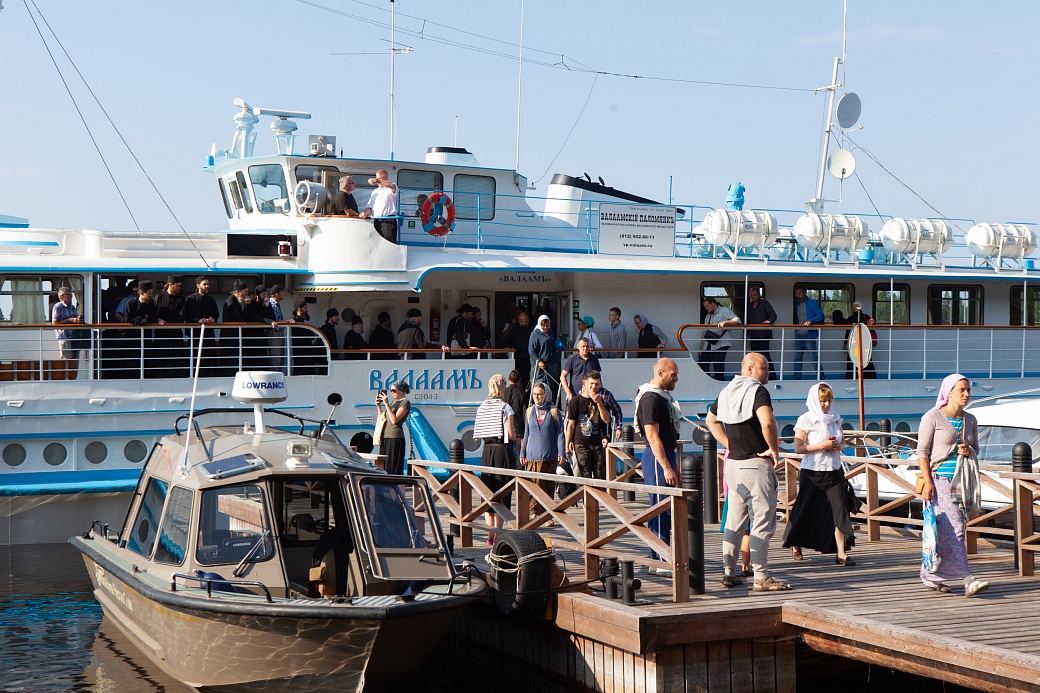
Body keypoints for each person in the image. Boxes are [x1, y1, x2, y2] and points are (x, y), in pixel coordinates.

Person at [707, 352, 790, 591]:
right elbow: (767, 422)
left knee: (734, 522)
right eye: (764, 368)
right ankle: (761, 576)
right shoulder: (758, 391)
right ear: (750, 369)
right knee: (762, 521)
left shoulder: (726, 391)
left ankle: (729, 572)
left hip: (733, 465)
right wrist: (773, 449)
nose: (768, 372)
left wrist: (728, 444)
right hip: (755, 463)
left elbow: (711, 420)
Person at [917, 374, 988, 597]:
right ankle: (968, 580)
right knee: (956, 529)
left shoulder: (971, 419)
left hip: (962, 482)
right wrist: (928, 482)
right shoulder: (932, 417)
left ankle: (931, 576)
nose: (966, 394)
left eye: (968, 390)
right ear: (948, 393)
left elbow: (976, 449)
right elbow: (922, 452)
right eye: (961, 390)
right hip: (939, 481)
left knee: (944, 532)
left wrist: (968, 450)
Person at [781, 383, 855, 565]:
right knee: (805, 508)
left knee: (840, 510)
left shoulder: (835, 418)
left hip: (834, 470)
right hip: (812, 472)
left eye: (829, 400)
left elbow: (843, 442)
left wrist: (838, 446)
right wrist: (821, 446)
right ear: (815, 400)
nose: (826, 404)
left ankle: (841, 553)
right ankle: (795, 542)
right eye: (823, 401)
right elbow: (798, 448)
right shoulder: (806, 419)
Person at [633, 358, 681, 576]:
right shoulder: (651, 398)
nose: (676, 379)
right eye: (673, 375)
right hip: (657, 456)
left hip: (665, 454)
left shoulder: (662, 396)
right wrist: (666, 467)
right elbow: (652, 437)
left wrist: (673, 464)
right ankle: (660, 560)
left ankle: (657, 558)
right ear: (660, 373)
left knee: (663, 508)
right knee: (661, 508)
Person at [473, 374, 517, 544]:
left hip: (487, 451)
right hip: (502, 451)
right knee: (502, 492)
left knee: (488, 492)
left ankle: (490, 535)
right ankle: (498, 535)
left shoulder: (482, 407)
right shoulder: (505, 407)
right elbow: (511, 435)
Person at [519, 383, 566, 520]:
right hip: (532, 455)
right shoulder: (529, 411)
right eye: (535, 394)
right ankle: (533, 512)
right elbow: (526, 433)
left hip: (549, 455)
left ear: (546, 395)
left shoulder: (554, 411)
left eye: (540, 394)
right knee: (533, 485)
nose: (537, 397)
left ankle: (547, 515)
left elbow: (560, 434)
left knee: (547, 486)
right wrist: (522, 453)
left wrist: (561, 453)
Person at [565, 371, 610, 480]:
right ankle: (585, 492)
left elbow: (606, 420)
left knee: (600, 475)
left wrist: (599, 403)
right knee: (585, 475)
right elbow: (571, 425)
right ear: (585, 385)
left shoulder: (601, 400)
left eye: (597, 384)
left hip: (597, 442)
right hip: (581, 442)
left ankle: (599, 492)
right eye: (592, 384)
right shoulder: (575, 401)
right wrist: (567, 444)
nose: (594, 387)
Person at [697, 297, 742, 381]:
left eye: (707, 306)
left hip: (721, 343)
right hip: (710, 344)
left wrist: (725, 322)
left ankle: (719, 384)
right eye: (705, 307)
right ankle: (707, 381)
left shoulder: (724, 311)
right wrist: (701, 348)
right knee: (702, 363)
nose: (706, 308)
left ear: (713, 304)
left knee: (718, 367)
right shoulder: (708, 316)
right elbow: (705, 333)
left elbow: (738, 321)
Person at [184, 276, 220, 376]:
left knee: (209, 357)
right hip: (195, 334)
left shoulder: (211, 300)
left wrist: (212, 319)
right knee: (195, 356)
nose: (207, 286)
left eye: (208, 284)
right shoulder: (191, 299)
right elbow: (187, 316)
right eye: (204, 284)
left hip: (208, 334)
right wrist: (198, 320)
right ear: (198, 285)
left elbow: (216, 314)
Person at [125, 281, 160, 378]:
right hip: (132, 338)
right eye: (149, 293)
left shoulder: (152, 303)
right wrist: (144, 318)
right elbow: (128, 319)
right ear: (141, 293)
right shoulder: (131, 303)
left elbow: (151, 318)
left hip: (146, 337)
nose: (151, 295)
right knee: (132, 360)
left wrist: (139, 319)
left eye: (152, 293)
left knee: (145, 358)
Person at [376, 381, 411, 476]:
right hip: (385, 436)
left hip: (395, 437)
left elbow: (394, 420)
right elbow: (384, 417)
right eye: (391, 390)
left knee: (392, 466)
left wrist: (387, 404)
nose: (392, 392)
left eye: (394, 390)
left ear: (401, 390)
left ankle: (394, 485)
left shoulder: (405, 402)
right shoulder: (393, 402)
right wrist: (379, 406)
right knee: (383, 465)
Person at [155, 276, 187, 378]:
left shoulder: (181, 299)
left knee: (176, 358)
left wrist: (169, 323)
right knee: (161, 358)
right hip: (161, 334)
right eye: (177, 286)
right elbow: (153, 313)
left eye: (180, 286)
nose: (179, 288)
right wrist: (158, 320)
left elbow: (182, 316)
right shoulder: (159, 297)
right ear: (170, 285)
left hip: (175, 334)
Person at [560, 338, 602, 412]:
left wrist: (601, 391)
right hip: (575, 395)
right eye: (583, 346)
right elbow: (562, 376)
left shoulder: (594, 359)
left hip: (591, 395)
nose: (585, 348)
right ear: (578, 347)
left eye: (587, 346)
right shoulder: (572, 358)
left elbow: (598, 377)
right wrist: (568, 392)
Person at [51, 286, 84, 380]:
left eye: (71, 295)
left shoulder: (72, 307)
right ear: (62, 296)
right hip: (64, 338)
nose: (71, 297)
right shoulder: (58, 307)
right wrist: (70, 320)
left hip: (74, 338)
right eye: (69, 295)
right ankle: (65, 381)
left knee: (75, 363)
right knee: (66, 362)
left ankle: (73, 380)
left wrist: (77, 321)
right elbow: (54, 323)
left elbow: (74, 320)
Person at [793, 286, 825, 380]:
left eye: (799, 293)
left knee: (813, 358)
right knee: (797, 358)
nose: (798, 296)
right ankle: (797, 379)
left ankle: (821, 378)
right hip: (799, 335)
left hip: (809, 335)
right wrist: (796, 330)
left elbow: (820, 315)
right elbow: (798, 318)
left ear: (804, 293)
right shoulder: (798, 305)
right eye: (796, 294)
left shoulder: (812, 303)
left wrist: (811, 321)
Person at [360, 169, 398, 243]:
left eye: (379, 178)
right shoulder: (375, 192)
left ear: (386, 178)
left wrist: (376, 181)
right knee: (377, 243)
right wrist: (365, 213)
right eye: (377, 178)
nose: (377, 181)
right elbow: (370, 207)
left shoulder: (391, 188)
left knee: (388, 243)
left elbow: (391, 185)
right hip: (377, 221)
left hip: (388, 221)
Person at [746, 288, 778, 379]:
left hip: (763, 334)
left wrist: (769, 321)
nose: (752, 297)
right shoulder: (749, 306)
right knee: (755, 357)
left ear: (759, 295)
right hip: (753, 335)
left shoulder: (764, 303)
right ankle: (757, 376)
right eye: (751, 295)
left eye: (754, 295)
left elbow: (773, 315)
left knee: (765, 356)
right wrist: (746, 334)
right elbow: (748, 320)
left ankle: (772, 376)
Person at [529, 315, 560, 402]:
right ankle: (538, 403)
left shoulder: (550, 331)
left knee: (552, 386)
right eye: (543, 325)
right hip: (540, 366)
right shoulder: (535, 334)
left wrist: (556, 348)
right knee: (539, 386)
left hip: (552, 363)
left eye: (547, 325)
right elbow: (531, 351)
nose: (545, 327)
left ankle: (551, 404)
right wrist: (539, 361)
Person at [843, 301, 877, 380]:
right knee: (853, 358)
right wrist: (845, 342)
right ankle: (852, 377)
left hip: (864, 342)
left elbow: (871, 327)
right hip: (853, 343)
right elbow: (848, 331)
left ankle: (868, 377)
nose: (855, 307)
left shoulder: (865, 317)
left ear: (860, 307)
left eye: (857, 306)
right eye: (853, 306)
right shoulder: (850, 318)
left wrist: (870, 324)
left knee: (866, 359)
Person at [507, 311, 533, 385]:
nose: (524, 324)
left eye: (526, 322)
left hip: (530, 358)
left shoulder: (532, 330)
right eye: (522, 322)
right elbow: (508, 343)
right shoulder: (514, 330)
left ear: (529, 320)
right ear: (518, 321)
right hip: (518, 358)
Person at [504, 370, 527, 453]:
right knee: (518, 454)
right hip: (518, 428)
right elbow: (525, 413)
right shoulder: (522, 393)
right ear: (520, 380)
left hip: (505, 427)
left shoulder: (504, 392)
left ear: (508, 378)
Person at [268, 284, 288, 374]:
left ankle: (278, 372)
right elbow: (275, 319)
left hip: (279, 332)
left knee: (280, 355)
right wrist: (287, 321)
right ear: (277, 294)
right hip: (274, 332)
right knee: (275, 355)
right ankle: (275, 373)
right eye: (282, 292)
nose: (284, 294)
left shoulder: (276, 304)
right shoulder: (271, 304)